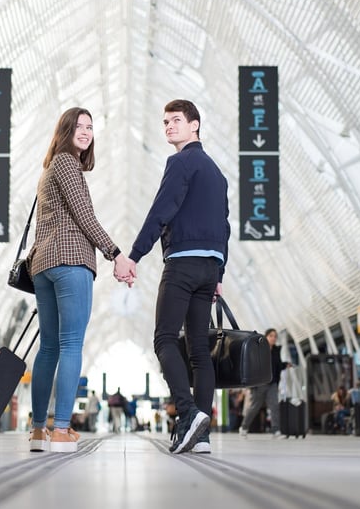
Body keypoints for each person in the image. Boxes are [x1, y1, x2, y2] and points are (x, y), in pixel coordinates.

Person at [121, 99, 230, 454]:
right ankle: (202, 435)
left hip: (182, 264)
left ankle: (187, 413)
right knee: (199, 350)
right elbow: (224, 226)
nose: (169, 126)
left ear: (195, 125)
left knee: (164, 338)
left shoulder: (180, 162)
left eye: (177, 121)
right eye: (165, 121)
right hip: (209, 268)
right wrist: (220, 272)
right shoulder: (217, 172)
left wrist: (134, 255)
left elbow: (161, 210)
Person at [25, 107, 133, 453]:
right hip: (70, 261)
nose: (86, 132)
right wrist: (116, 253)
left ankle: (39, 430)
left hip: (42, 266)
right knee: (71, 345)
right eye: (79, 126)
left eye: (90, 127)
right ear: (66, 130)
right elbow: (84, 215)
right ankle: (61, 430)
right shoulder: (67, 163)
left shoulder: (48, 169)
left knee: (49, 349)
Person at [239, 328, 291, 438]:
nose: (273, 338)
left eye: (275, 336)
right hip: (260, 383)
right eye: (271, 336)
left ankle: (276, 430)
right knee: (254, 407)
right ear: (266, 337)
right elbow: (253, 365)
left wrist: (285, 365)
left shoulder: (276, 350)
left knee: (274, 406)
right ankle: (244, 427)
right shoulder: (259, 349)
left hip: (272, 383)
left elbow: (277, 365)